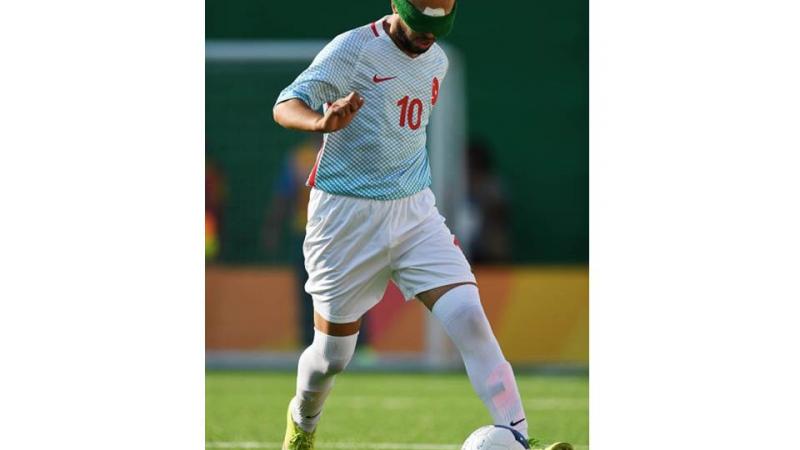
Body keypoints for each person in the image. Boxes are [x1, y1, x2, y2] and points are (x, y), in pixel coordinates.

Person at [272, 1, 573, 449]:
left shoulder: (437, 60)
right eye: (419, 26)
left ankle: (518, 436)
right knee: (332, 357)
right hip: (344, 220)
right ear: (396, 7)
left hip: (414, 214)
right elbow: (284, 104)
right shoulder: (353, 49)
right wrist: (321, 120)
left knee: (469, 316)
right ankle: (303, 421)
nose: (427, 37)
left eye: (438, 28)